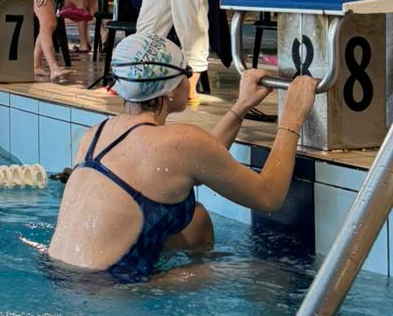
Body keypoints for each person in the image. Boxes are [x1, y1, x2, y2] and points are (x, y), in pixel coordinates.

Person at [47, 33, 318, 283]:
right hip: (111, 291)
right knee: (267, 270)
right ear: (170, 88)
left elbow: (200, 162)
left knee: (197, 222)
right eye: (187, 73)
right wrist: (292, 118)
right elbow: (269, 197)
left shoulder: (95, 135)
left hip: (60, 276)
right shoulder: (181, 141)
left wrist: (242, 105)